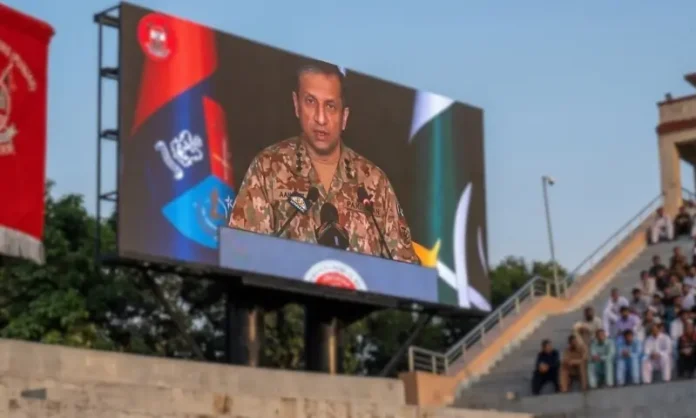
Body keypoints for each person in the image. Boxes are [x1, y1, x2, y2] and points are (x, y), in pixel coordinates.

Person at [228, 60, 419, 263]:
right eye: (311, 102)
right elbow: (240, 255)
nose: (321, 118)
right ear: (296, 105)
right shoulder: (268, 168)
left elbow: (406, 269)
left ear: (344, 117)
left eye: (330, 106)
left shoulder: (374, 183)